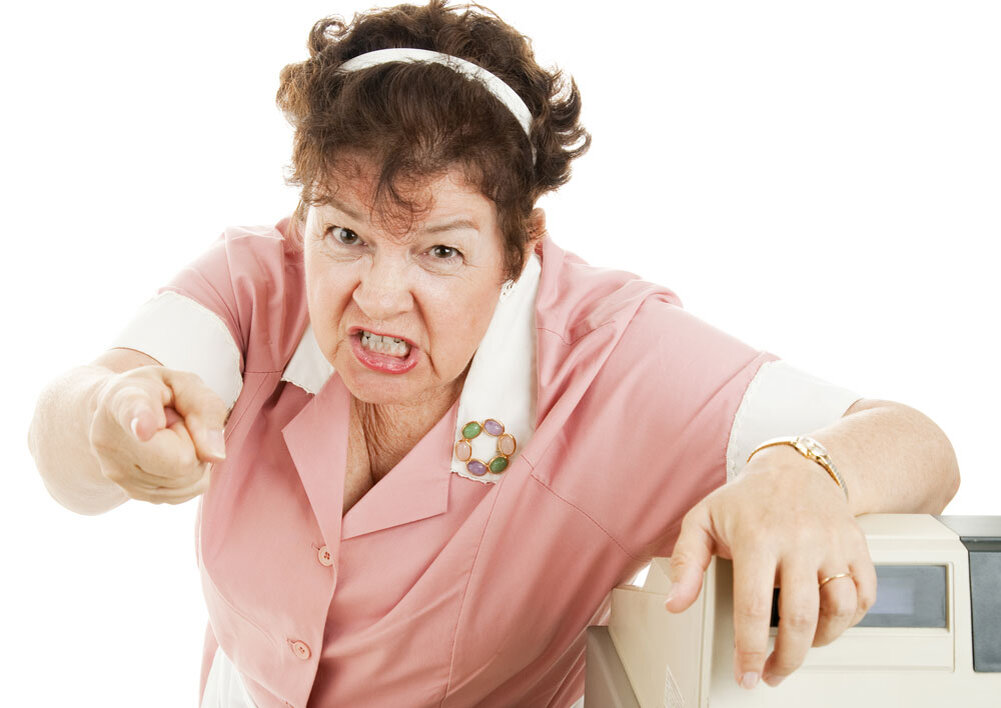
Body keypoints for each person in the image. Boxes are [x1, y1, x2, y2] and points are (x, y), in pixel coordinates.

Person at [26, 2, 960, 706]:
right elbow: (72, 433)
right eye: (345, 235)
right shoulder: (255, 283)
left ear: (520, 248)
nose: (376, 298)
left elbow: (916, 442)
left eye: (439, 251)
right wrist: (108, 420)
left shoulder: (612, 359)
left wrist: (806, 470)